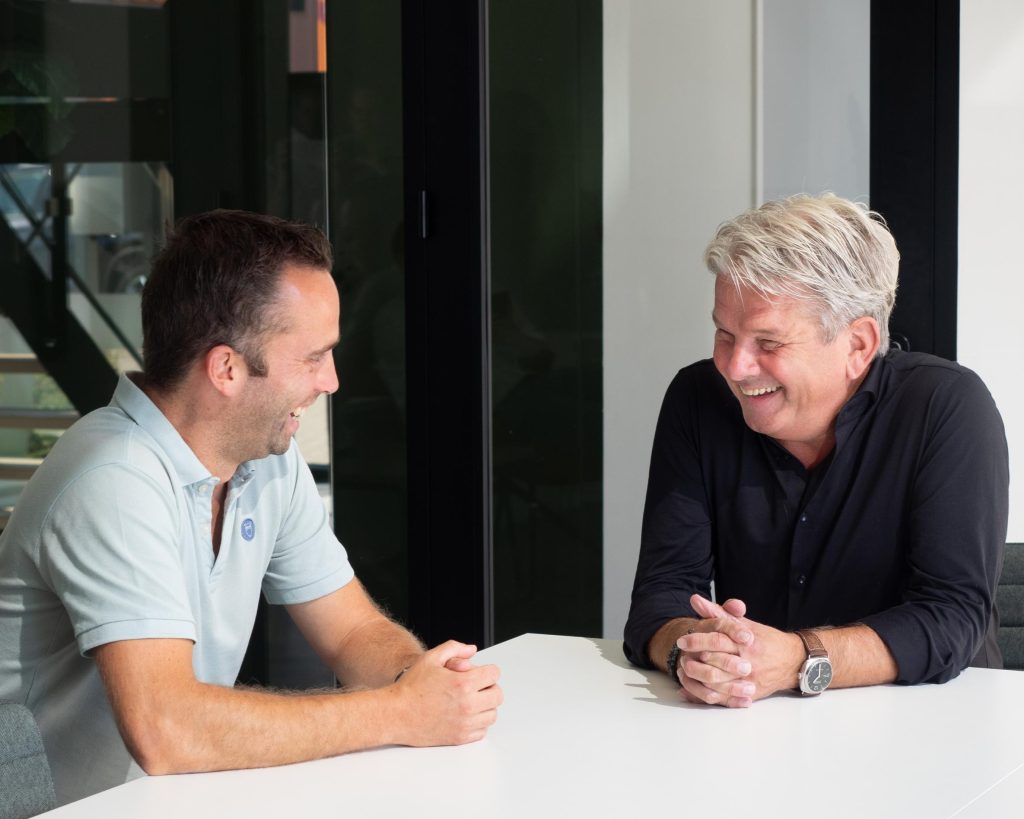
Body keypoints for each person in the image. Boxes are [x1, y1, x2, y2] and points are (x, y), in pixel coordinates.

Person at [0, 210, 503, 805]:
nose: (332, 381)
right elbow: (167, 729)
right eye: (313, 357)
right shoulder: (113, 477)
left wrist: (422, 683)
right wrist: (398, 712)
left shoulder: (264, 460)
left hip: (165, 799)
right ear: (227, 369)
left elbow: (352, 630)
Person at [624, 194, 1008, 708]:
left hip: (935, 722)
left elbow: (951, 618)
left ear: (857, 346)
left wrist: (797, 659)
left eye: (768, 343)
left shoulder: (945, 408)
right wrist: (694, 651)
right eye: (725, 334)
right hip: (759, 722)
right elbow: (661, 595)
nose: (735, 368)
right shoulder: (697, 400)